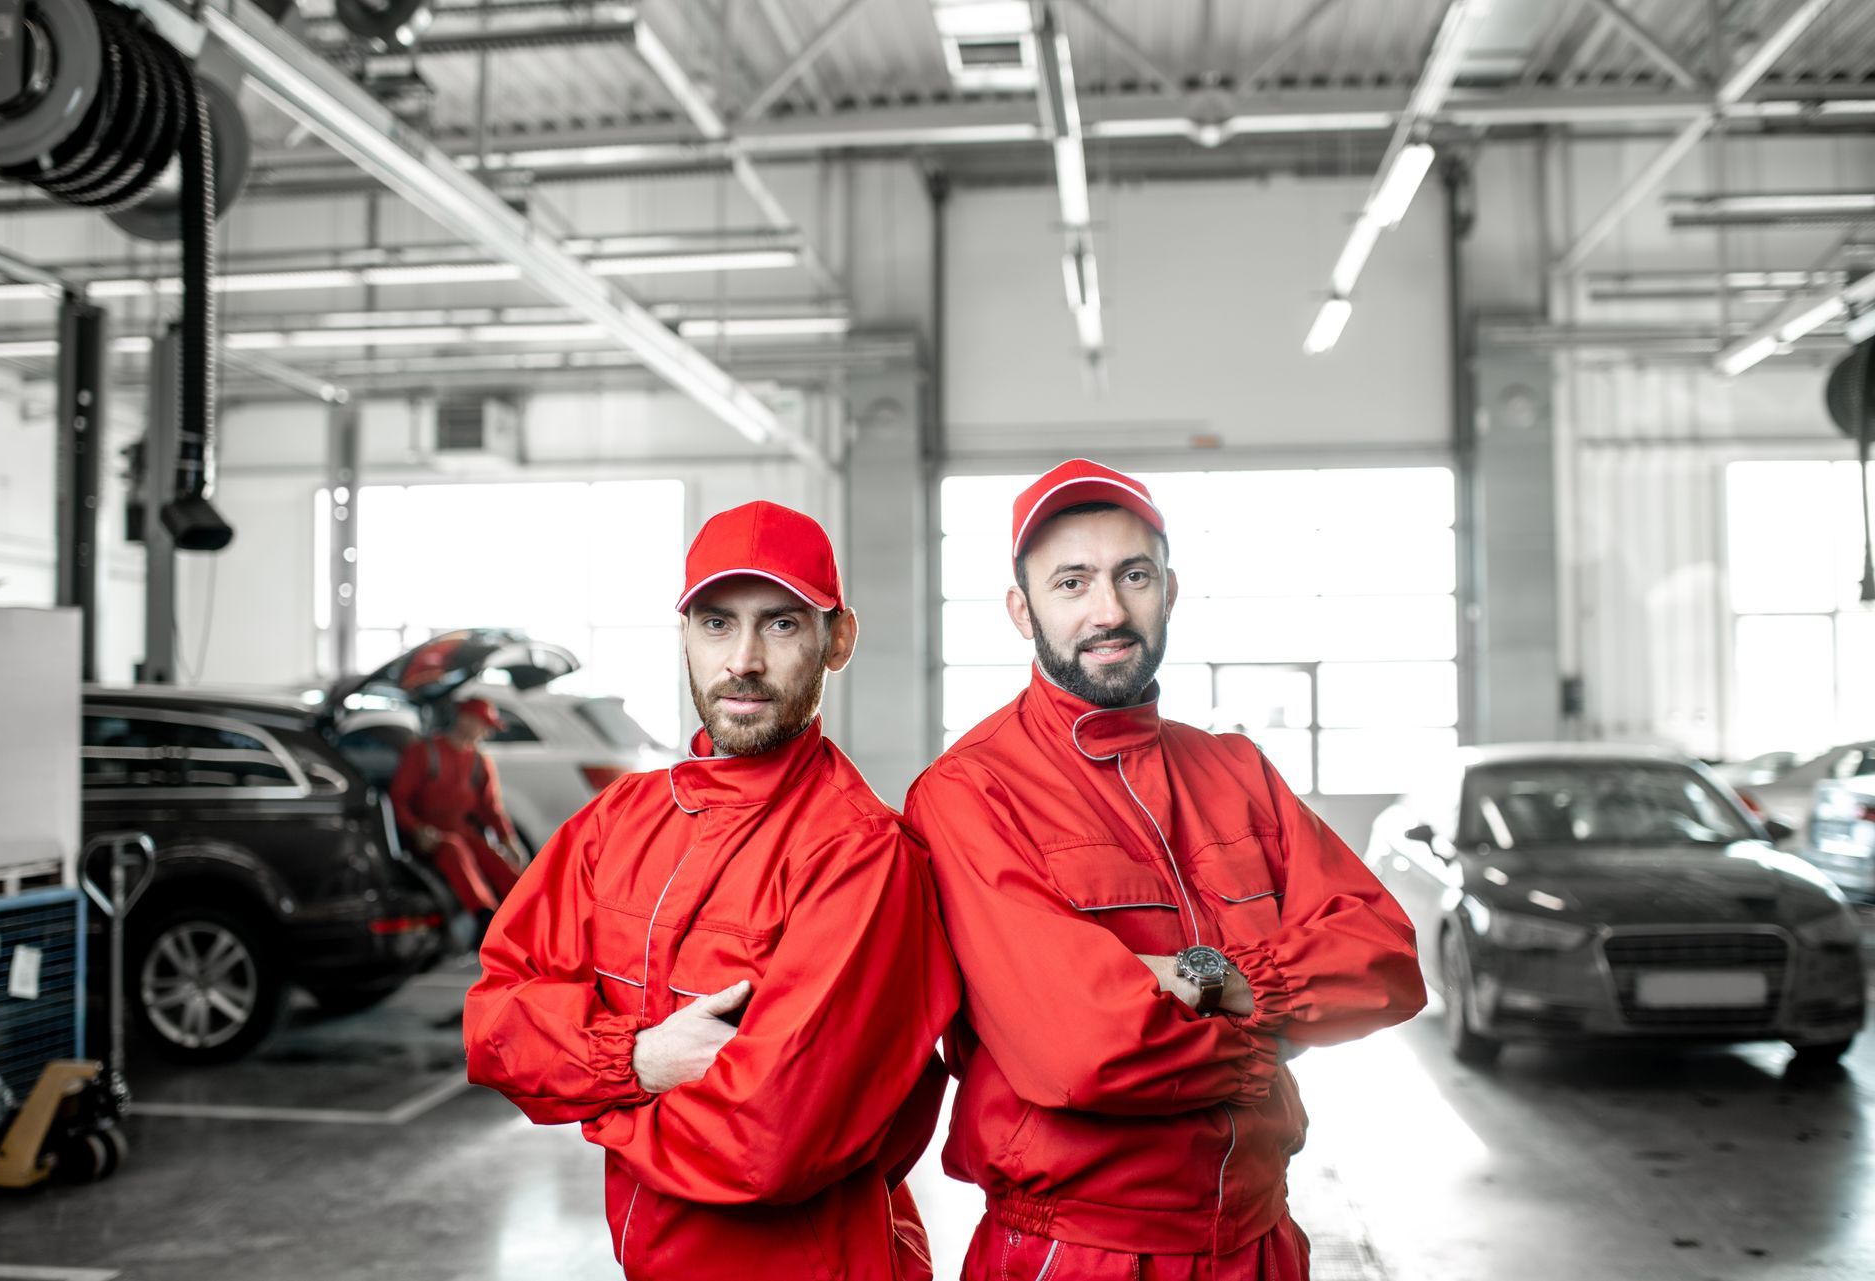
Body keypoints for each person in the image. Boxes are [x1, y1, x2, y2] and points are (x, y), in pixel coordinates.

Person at [904, 458, 1427, 1281]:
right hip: (1076, 1252)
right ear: (1021, 609)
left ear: (1170, 590)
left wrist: (1202, 980)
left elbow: (1388, 962)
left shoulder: (1237, 770)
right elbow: (1081, 1049)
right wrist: (1274, 1030)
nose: (1108, 610)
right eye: (1071, 582)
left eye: (1132, 575)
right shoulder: (971, 793)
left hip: (1260, 1240)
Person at [463, 500, 958, 1281]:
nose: (745, 659)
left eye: (783, 624)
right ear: (687, 638)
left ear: (839, 639)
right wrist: (641, 1060)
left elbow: (768, 1142)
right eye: (717, 623)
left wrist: (585, 1089)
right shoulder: (616, 822)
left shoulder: (863, 858)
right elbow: (493, 1026)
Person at [390, 696, 523, 931]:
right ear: (465, 719)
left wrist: (508, 840)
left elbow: (491, 808)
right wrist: (416, 829)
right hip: (428, 836)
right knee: (454, 849)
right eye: (483, 724)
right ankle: (486, 917)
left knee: (498, 861)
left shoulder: (480, 762)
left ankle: (529, 913)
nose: (486, 732)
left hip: (464, 831)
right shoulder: (423, 752)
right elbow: (398, 800)